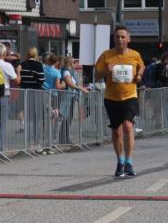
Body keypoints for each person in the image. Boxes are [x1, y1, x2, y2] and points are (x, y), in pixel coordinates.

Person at [95, 25, 146, 178]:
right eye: (117, 37)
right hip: (111, 97)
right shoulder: (106, 55)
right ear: (114, 39)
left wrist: (139, 76)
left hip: (130, 96)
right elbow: (97, 75)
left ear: (128, 39)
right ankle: (120, 161)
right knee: (116, 132)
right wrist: (106, 71)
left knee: (128, 126)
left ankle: (129, 162)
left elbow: (142, 66)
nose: (120, 39)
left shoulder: (135, 55)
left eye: (123, 37)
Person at [58, 55, 89, 145]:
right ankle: (63, 138)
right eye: (74, 62)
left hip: (71, 97)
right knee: (67, 117)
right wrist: (82, 89)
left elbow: (74, 83)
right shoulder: (66, 72)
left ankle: (65, 137)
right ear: (70, 63)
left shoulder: (70, 72)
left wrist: (82, 88)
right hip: (67, 97)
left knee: (69, 118)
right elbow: (70, 84)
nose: (75, 64)